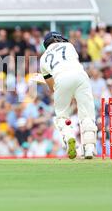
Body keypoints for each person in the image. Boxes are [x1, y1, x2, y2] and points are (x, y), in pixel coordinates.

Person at [39, 31, 97, 159]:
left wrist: (59, 89)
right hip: (80, 76)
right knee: (87, 113)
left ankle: (69, 137)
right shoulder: (69, 46)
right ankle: (89, 149)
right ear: (57, 39)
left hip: (60, 79)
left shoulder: (43, 59)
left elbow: (51, 86)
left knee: (61, 116)